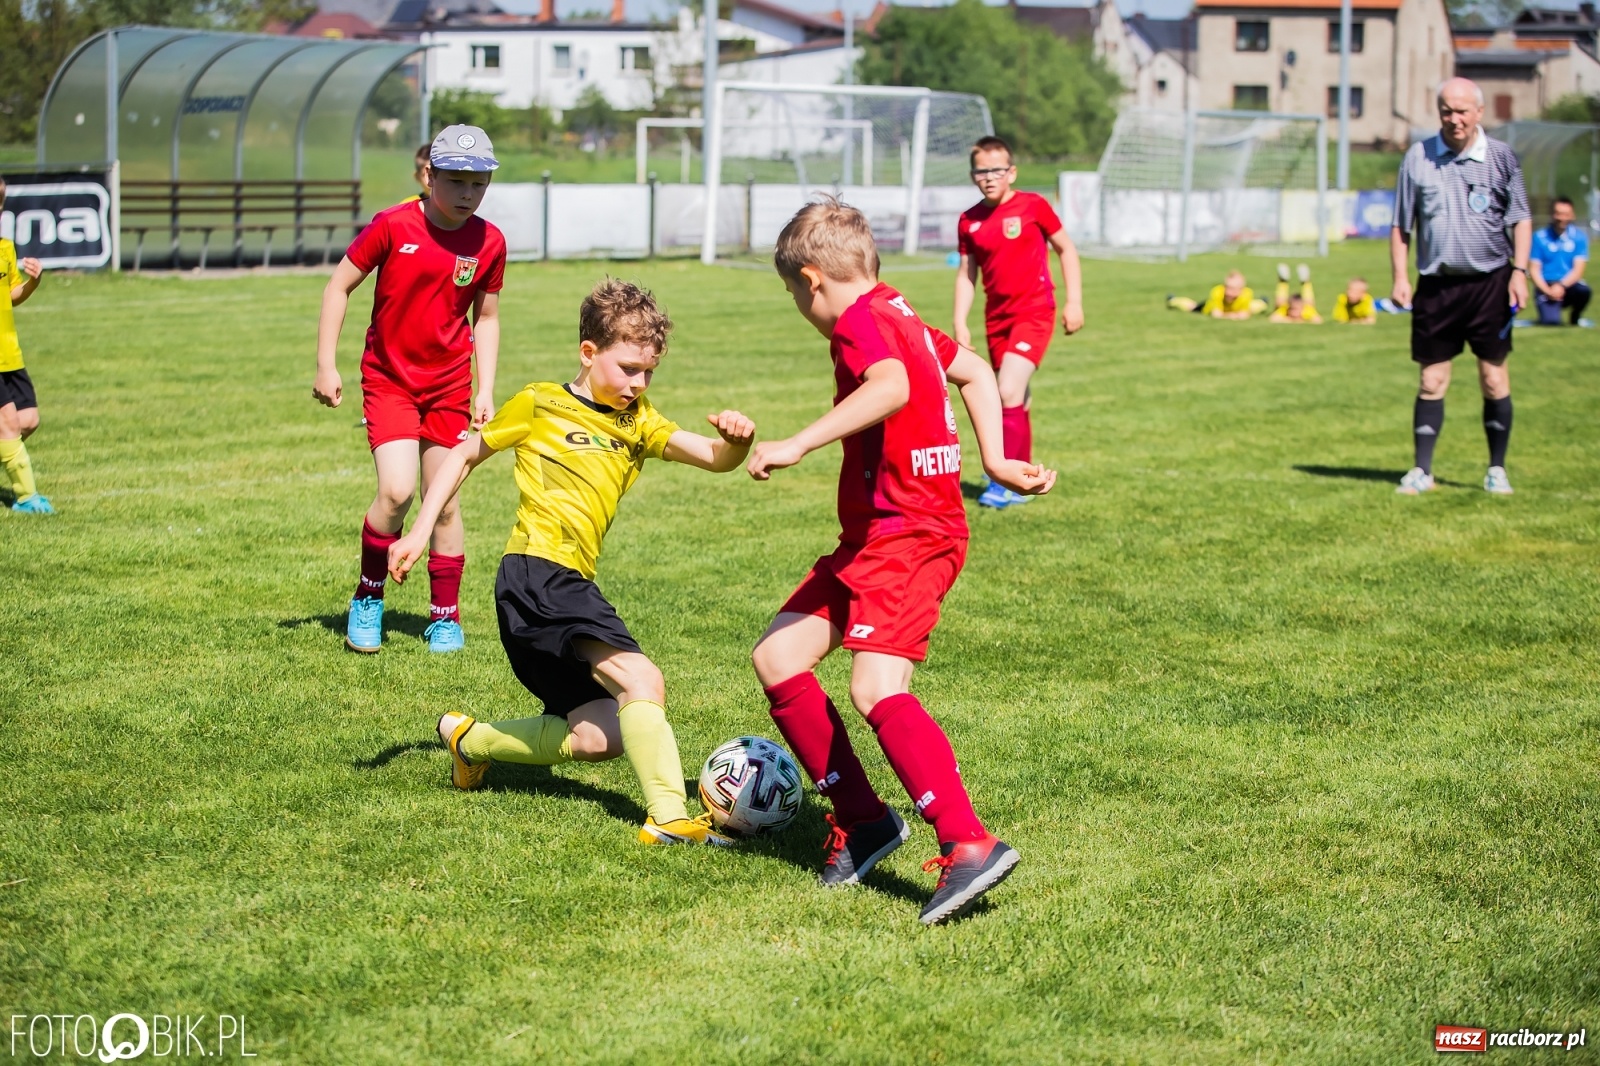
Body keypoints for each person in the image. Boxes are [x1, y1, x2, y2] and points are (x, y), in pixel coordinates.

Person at [748, 197, 1056, 925]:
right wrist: (999, 459)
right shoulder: (900, 309)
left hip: (910, 533)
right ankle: (865, 822)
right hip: (875, 537)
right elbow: (975, 371)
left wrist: (798, 442)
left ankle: (968, 842)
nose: (800, 305)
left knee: (876, 686)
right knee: (778, 657)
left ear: (813, 280)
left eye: (795, 292)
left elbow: (890, 386)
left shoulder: (861, 324)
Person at [388, 279, 756, 846]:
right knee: (641, 679)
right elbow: (464, 452)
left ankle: (472, 742)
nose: (639, 383)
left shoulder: (641, 420)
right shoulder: (539, 402)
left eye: (649, 373)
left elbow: (713, 457)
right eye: (629, 368)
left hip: (563, 582)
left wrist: (736, 441)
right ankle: (668, 815)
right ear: (588, 353)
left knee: (598, 735)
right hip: (537, 572)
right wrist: (418, 530)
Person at [314, 124, 507, 653]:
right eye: (456, 181)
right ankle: (368, 596)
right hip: (390, 382)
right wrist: (325, 365)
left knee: (443, 504)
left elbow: (486, 318)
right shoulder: (392, 225)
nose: (468, 194)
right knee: (397, 492)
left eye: (479, 184)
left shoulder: (490, 241)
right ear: (429, 176)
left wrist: (485, 386)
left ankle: (444, 616)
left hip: (449, 387)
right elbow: (339, 286)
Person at [1391, 77, 1530, 497]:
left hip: (1490, 284)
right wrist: (1400, 276)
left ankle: (1496, 469)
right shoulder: (1418, 157)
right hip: (1436, 286)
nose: (1455, 119)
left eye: (1462, 111)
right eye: (1447, 111)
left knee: (1493, 379)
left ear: (1479, 113)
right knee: (1431, 380)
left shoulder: (1502, 157)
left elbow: (1520, 218)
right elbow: (1402, 224)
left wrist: (1519, 272)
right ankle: (1422, 470)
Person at [954, 135, 1083, 509]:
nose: (989, 177)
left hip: (1035, 312)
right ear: (973, 174)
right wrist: (960, 322)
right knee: (1017, 398)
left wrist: (1074, 302)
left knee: (1006, 391)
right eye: (982, 170)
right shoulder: (969, 220)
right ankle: (1022, 475)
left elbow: (1066, 248)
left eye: (997, 169)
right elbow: (967, 274)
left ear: (1011, 172)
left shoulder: (1033, 206)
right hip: (996, 319)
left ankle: (1005, 484)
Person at [0, 178, 50, 515]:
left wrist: (33, 281)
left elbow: (12, 295)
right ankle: (27, 498)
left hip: (9, 351)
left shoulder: (5, 247)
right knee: (8, 425)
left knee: (29, 420)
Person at [1529, 196, 1590, 327]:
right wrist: (1547, 290)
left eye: (1566, 214)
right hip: (1546, 286)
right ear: (1552, 214)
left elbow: (1578, 270)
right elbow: (1534, 269)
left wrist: (1561, 286)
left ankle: (1575, 316)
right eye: (1558, 213)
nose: (1562, 218)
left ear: (1572, 215)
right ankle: (1549, 311)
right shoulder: (1539, 237)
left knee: (1584, 291)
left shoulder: (1579, 237)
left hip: (1568, 285)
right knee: (1551, 322)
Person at [1166, 270, 1269, 319]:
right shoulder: (1217, 292)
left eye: (1233, 289)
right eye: (1227, 288)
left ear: (1241, 290)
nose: (1229, 292)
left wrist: (1233, 315)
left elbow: (1244, 316)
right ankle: (1172, 300)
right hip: (1207, 309)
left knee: (1255, 306)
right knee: (1192, 307)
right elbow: (1216, 315)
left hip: (1232, 309)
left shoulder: (1247, 293)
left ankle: (1264, 302)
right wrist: (1235, 316)